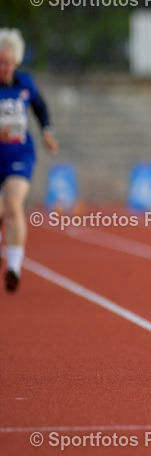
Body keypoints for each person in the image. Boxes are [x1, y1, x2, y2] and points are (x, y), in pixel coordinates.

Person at [0, 28, 58, 291]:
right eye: (0, 62)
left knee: (13, 203)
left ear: (16, 62)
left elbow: (40, 108)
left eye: (9, 62)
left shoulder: (26, 84)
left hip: (19, 153)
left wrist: (47, 133)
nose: (4, 67)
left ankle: (13, 267)